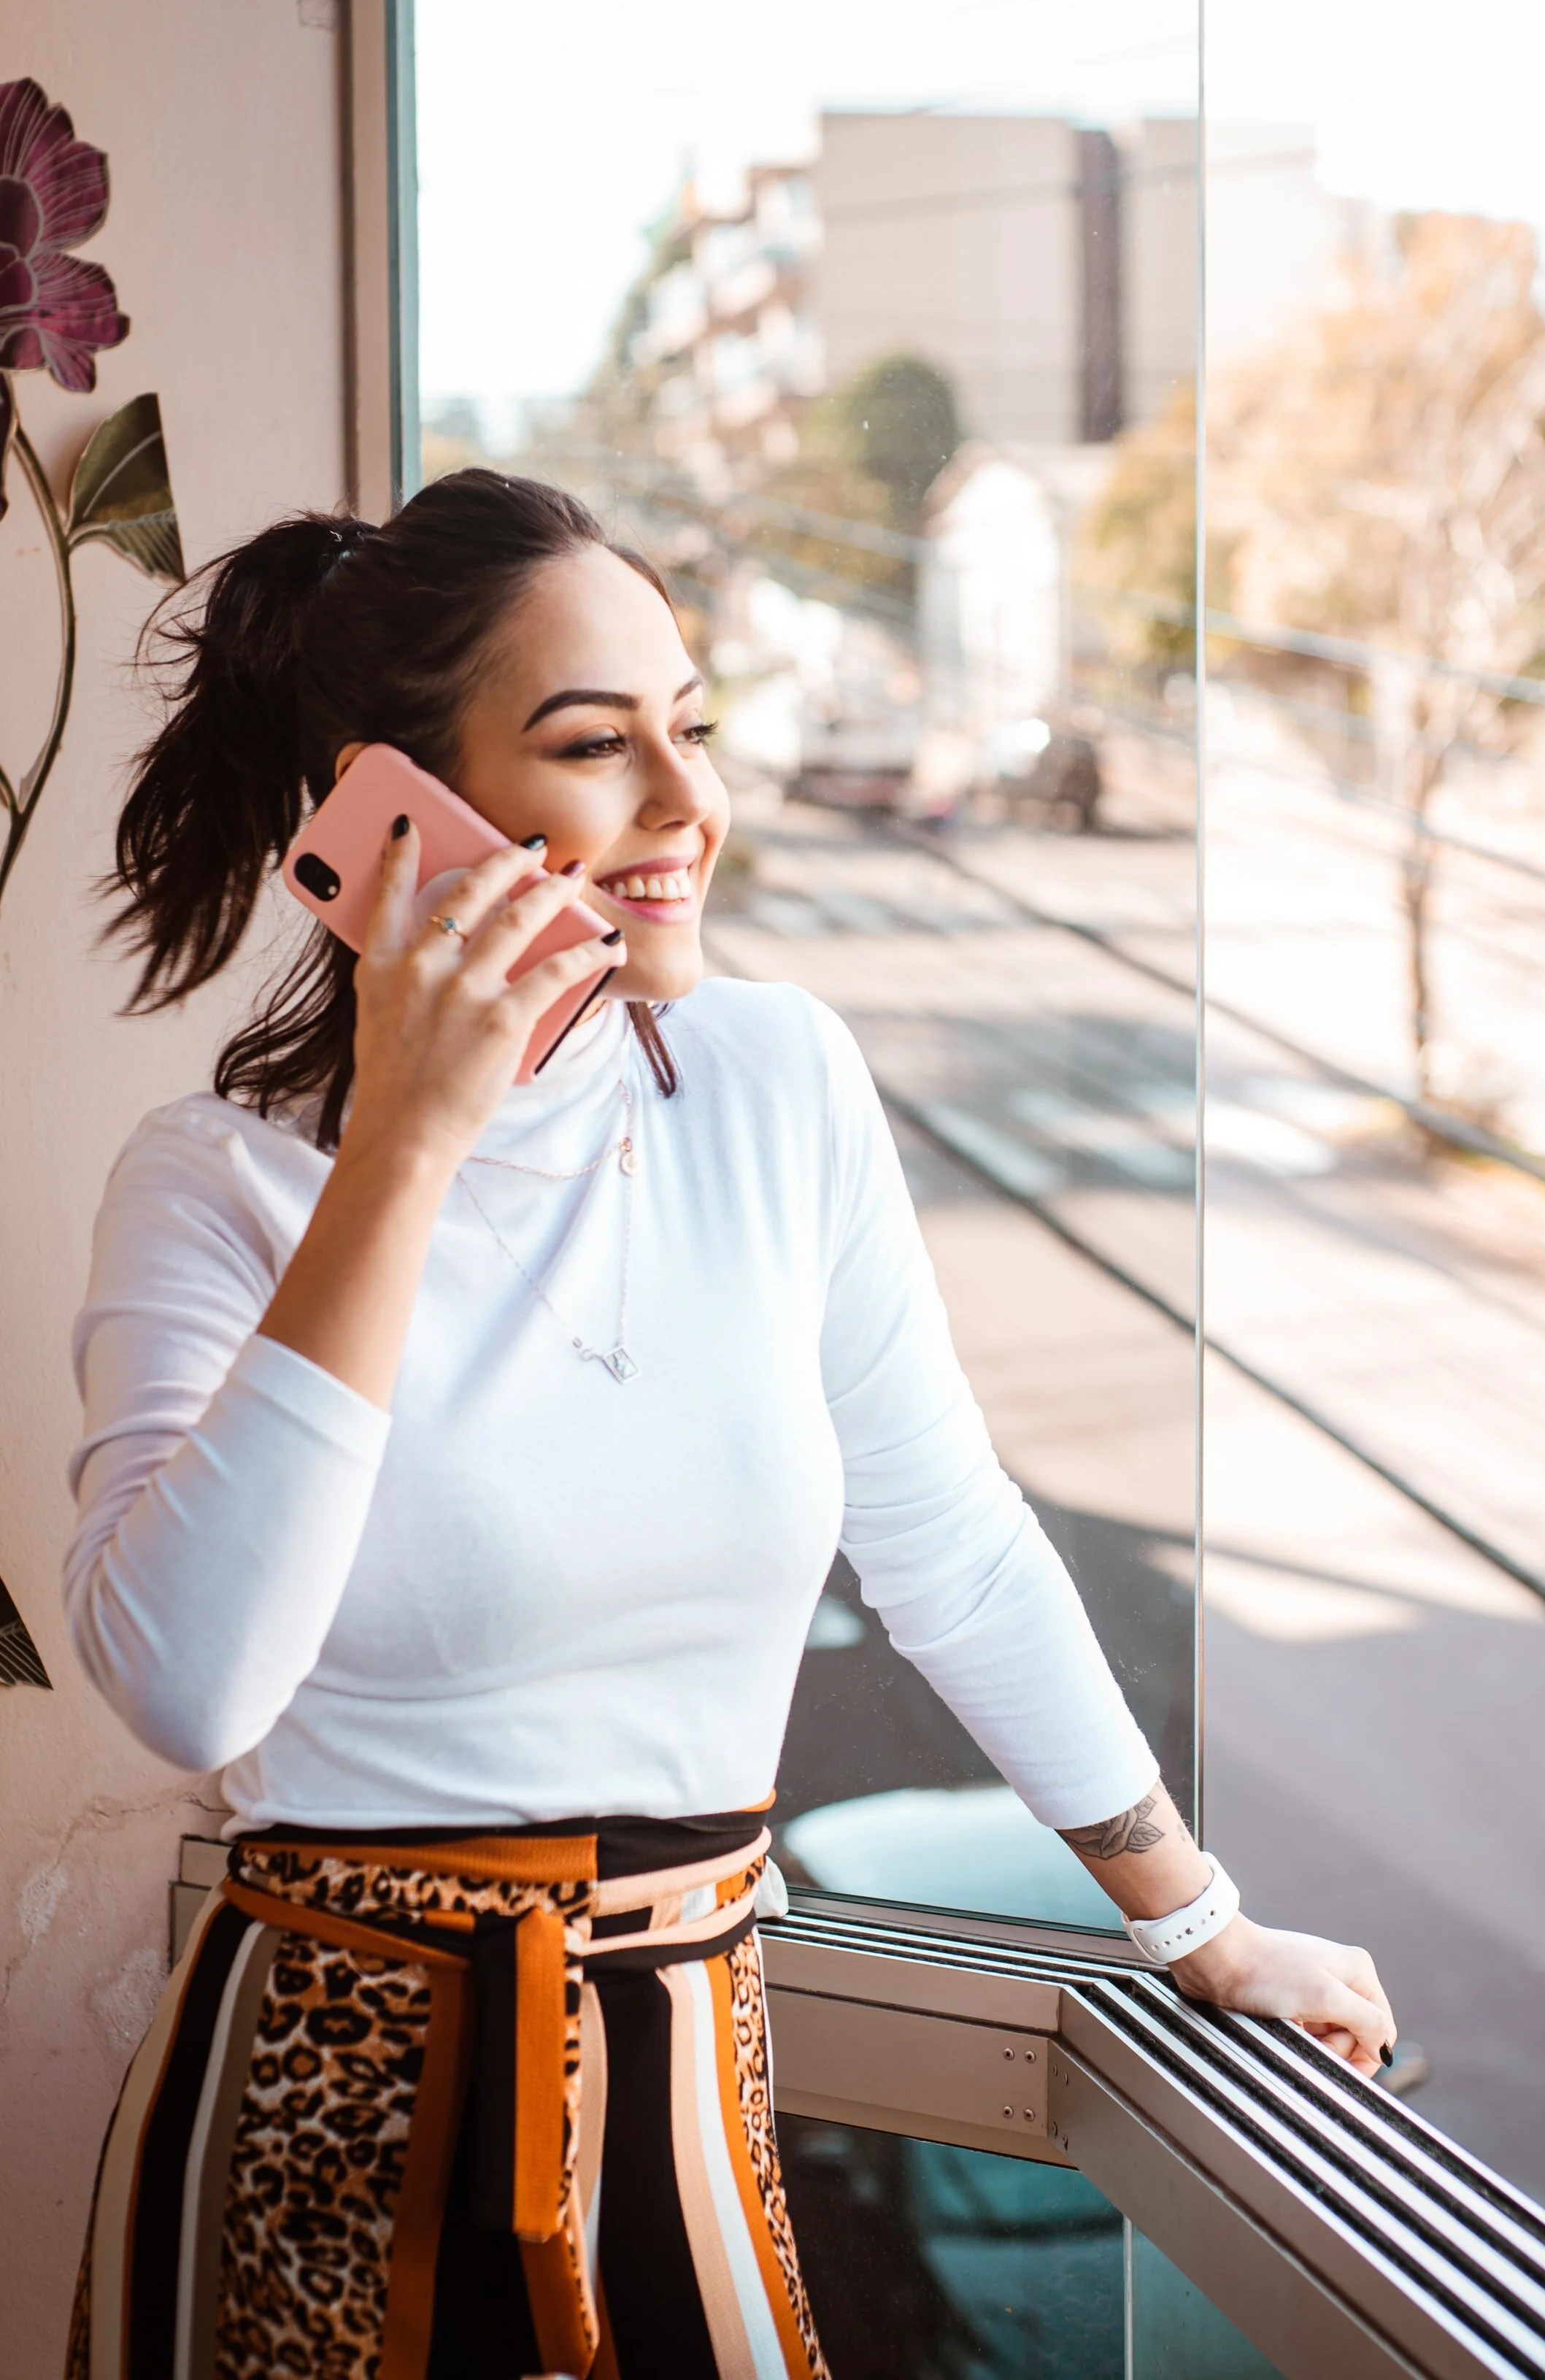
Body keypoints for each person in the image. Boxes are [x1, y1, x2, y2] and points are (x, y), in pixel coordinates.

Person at [62, 469, 1395, 2380]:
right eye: (598, 747)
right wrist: (407, 1146)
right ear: (391, 807)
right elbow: (191, 1689)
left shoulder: (781, 1086)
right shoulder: (215, 1188)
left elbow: (947, 1540)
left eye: (693, 729)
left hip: (687, 2095)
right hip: (308, 2122)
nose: (690, 811)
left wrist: (1200, 1926)